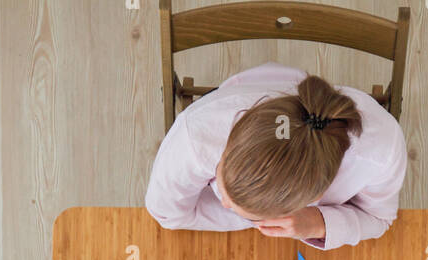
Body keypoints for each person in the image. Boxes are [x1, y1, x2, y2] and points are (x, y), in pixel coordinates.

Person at [145, 65, 407, 249]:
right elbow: (166, 213)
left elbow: (380, 218)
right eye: (222, 170)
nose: (223, 203)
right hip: (253, 86)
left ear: (315, 200)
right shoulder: (196, 133)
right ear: (238, 127)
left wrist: (319, 224)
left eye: (253, 217)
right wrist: (247, 218)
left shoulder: (382, 152)